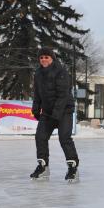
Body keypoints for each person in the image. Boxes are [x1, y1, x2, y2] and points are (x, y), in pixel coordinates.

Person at [30, 47, 79, 183]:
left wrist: (56, 114)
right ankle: (43, 167)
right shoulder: (38, 73)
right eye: (41, 57)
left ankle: (73, 168)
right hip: (48, 111)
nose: (44, 60)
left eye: (46, 57)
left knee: (64, 138)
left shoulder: (61, 71)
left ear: (52, 58)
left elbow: (63, 95)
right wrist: (35, 109)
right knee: (40, 136)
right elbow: (37, 94)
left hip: (64, 110)